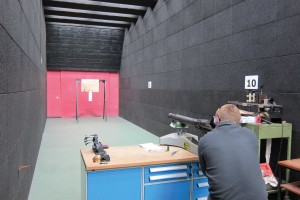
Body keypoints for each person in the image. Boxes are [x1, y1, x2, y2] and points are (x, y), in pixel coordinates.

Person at [198, 104, 267, 200]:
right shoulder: (251, 135)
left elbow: (206, 172)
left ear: (216, 119)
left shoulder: (205, 140)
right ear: (239, 120)